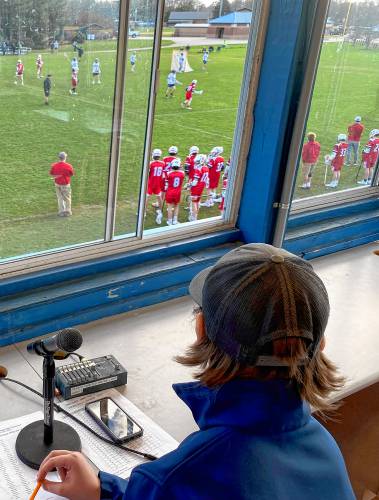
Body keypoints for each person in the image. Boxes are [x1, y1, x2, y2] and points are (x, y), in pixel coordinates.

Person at [36, 243, 355, 500]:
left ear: (201, 329)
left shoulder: (181, 476)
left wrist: (102, 492)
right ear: (319, 345)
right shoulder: (325, 448)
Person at [49, 152, 75, 217]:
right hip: (65, 184)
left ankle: (61, 212)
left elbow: (51, 173)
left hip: (57, 184)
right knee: (67, 198)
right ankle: (68, 211)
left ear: (59, 157)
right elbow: (71, 174)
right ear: (65, 158)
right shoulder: (68, 166)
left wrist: (56, 176)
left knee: (60, 198)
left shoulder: (54, 165)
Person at [146, 149, 165, 224]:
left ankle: (143, 212)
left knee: (146, 197)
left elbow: (148, 173)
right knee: (159, 197)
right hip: (158, 183)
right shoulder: (162, 163)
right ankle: (160, 210)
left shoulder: (150, 163)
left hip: (151, 182)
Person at [189, 153, 209, 221]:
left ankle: (194, 217)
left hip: (196, 188)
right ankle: (195, 215)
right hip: (201, 186)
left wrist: (189, 185)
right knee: (197, 201)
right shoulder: (206, 168)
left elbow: (194, 182)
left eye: (197, 162)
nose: (196, 163)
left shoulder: (198, 170)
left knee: (194, 202)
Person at [165, 158, 185, 225]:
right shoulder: (182, 173)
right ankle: (175, 220)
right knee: (176, 206)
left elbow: (166, 184)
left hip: (170, 192)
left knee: (169, 207)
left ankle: (169, 221)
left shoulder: (168, 174)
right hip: (178, 193)